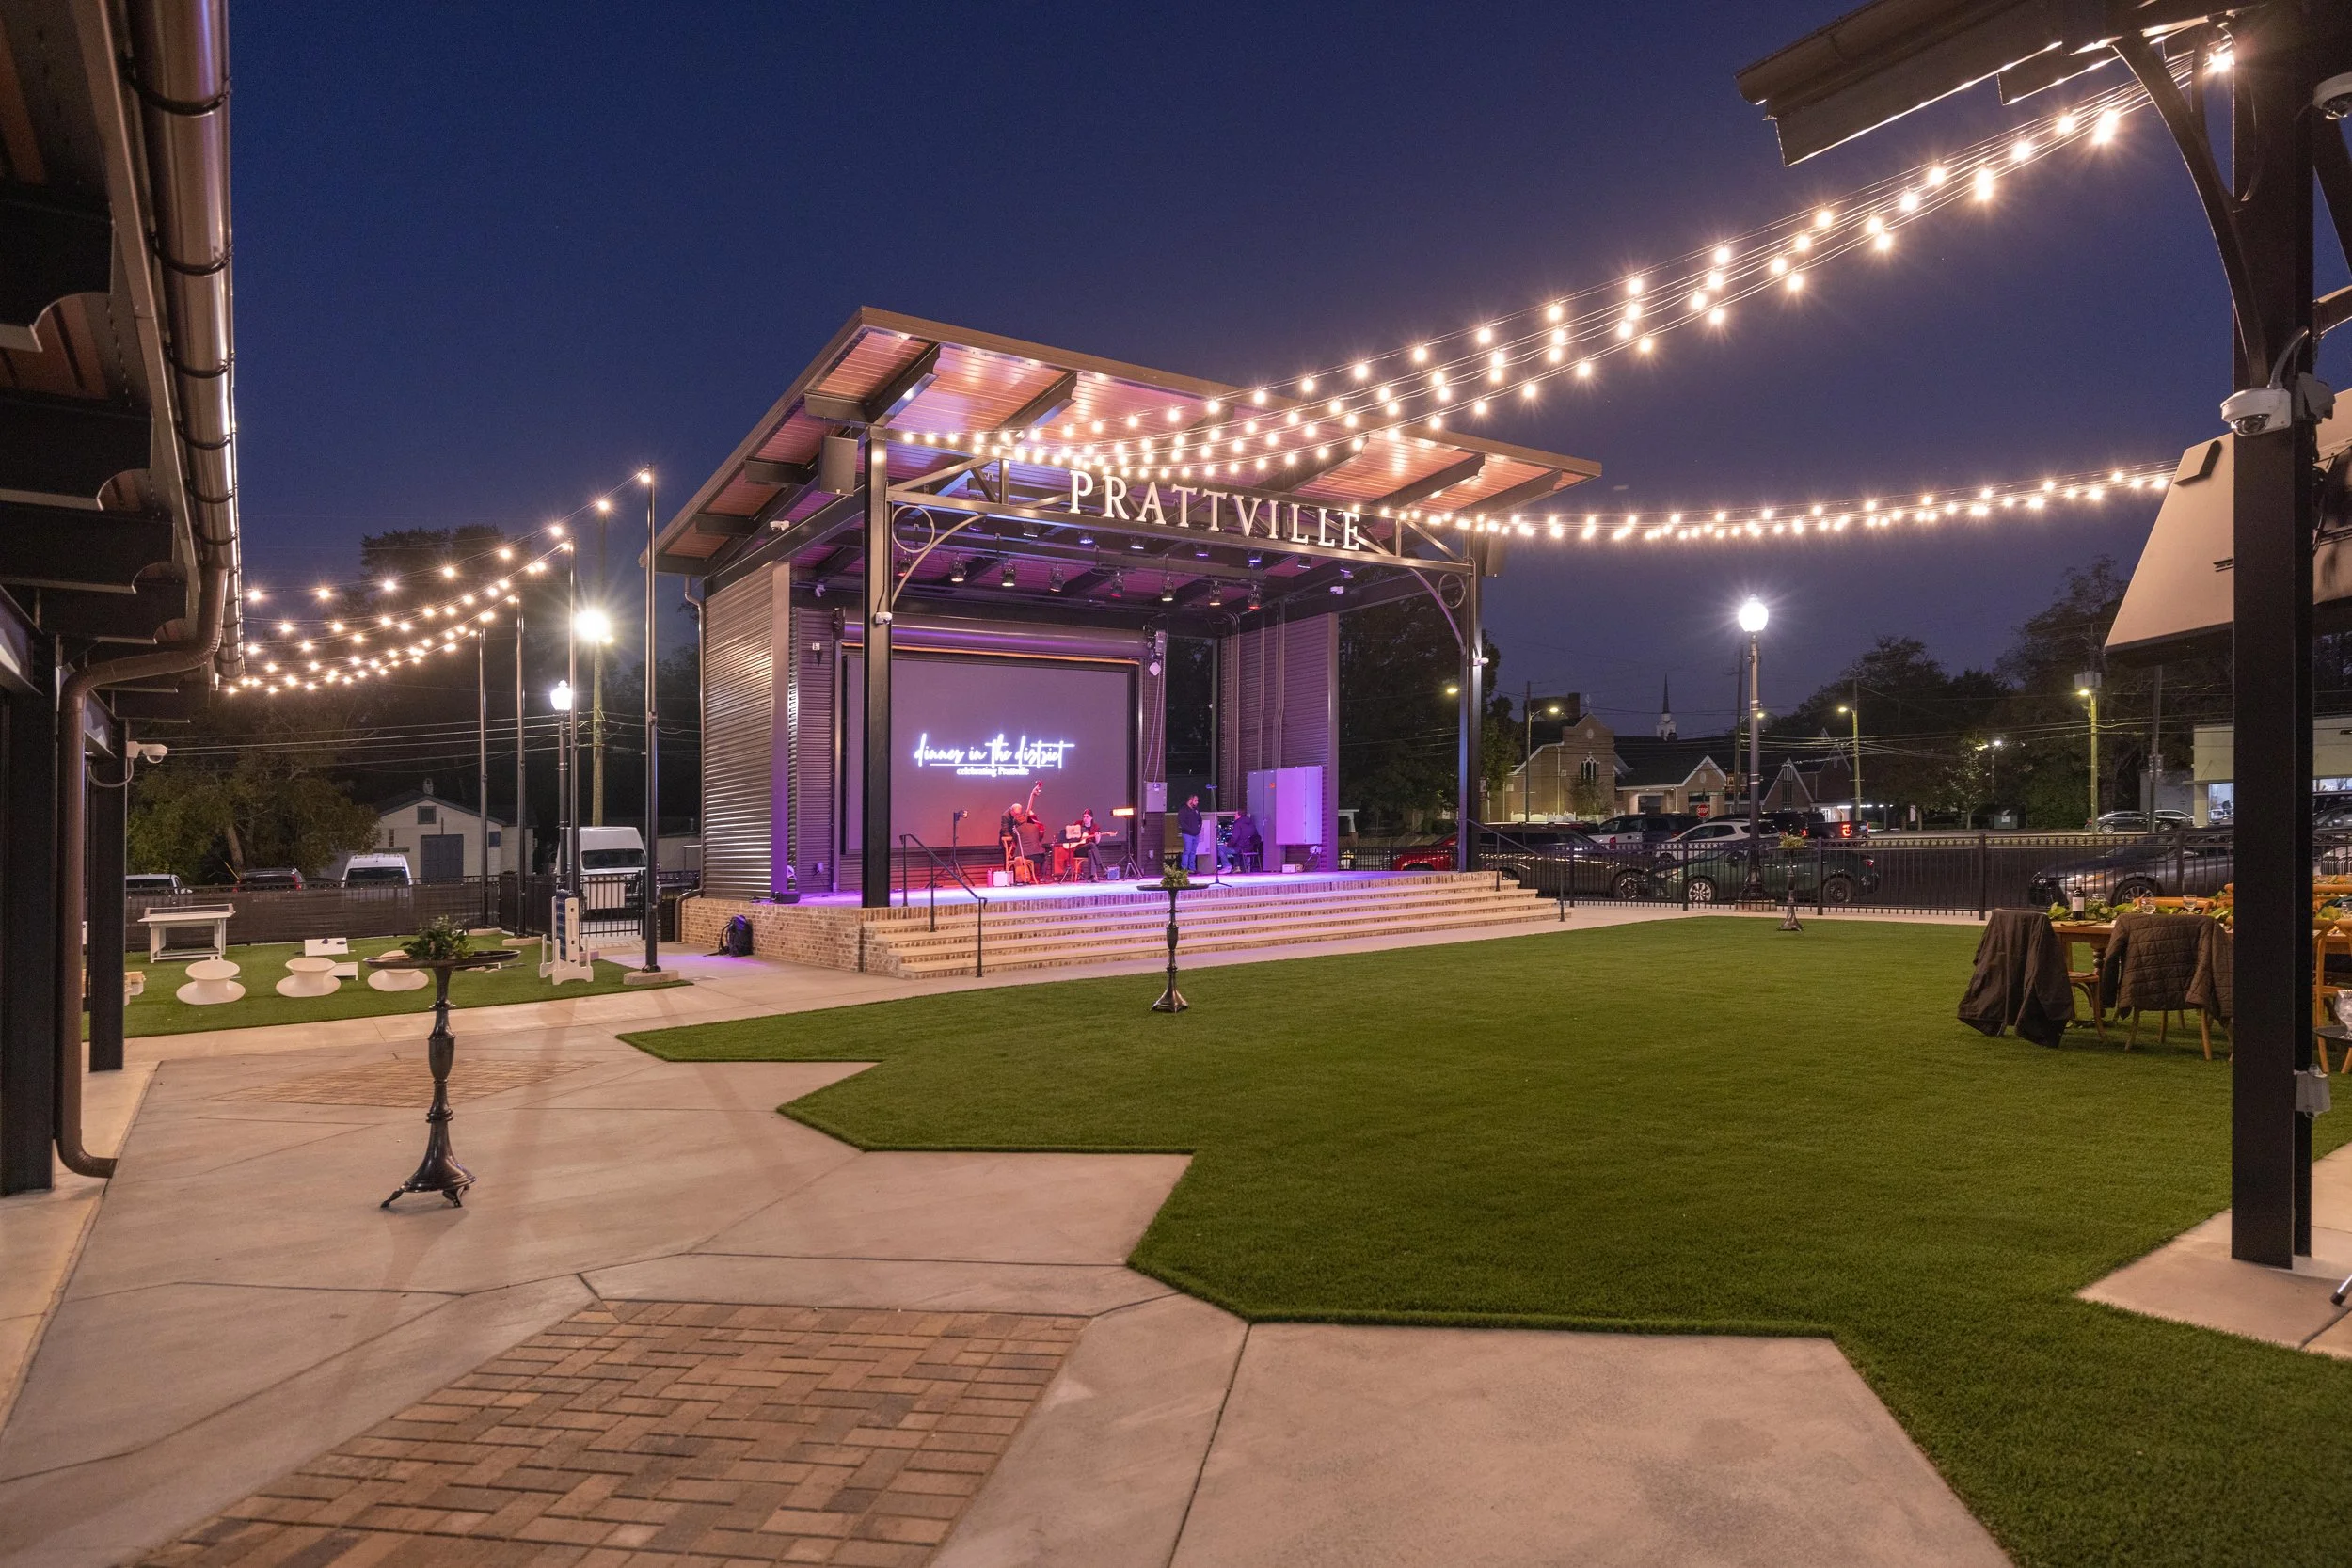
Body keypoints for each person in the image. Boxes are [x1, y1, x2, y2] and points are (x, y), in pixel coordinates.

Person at [1179, 794, 1204, 872]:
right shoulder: (1183, 809)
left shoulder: (1196, 809)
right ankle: (1184, 869)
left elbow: (1200, 819)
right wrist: (1190, 830)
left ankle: (1192, 869)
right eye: (1195, 801)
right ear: (1190, 800)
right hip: (1187, 834)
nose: (1197, 802)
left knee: (1193, 852)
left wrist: (1199, 829)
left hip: (1196, 834)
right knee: (1187, 851)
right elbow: (1182, 822)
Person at [1231, 809, 1262, 873]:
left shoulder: (1237, 823)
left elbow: (1234, 838)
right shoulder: (1251, 823)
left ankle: (1229, 866)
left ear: (1239, 815)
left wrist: (1228, 844)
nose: (1234, 815)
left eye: (1236, 814)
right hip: (1251, 847)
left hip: (1241, 847)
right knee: (1236, 848)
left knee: (1221, 849)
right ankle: (1240, 868)